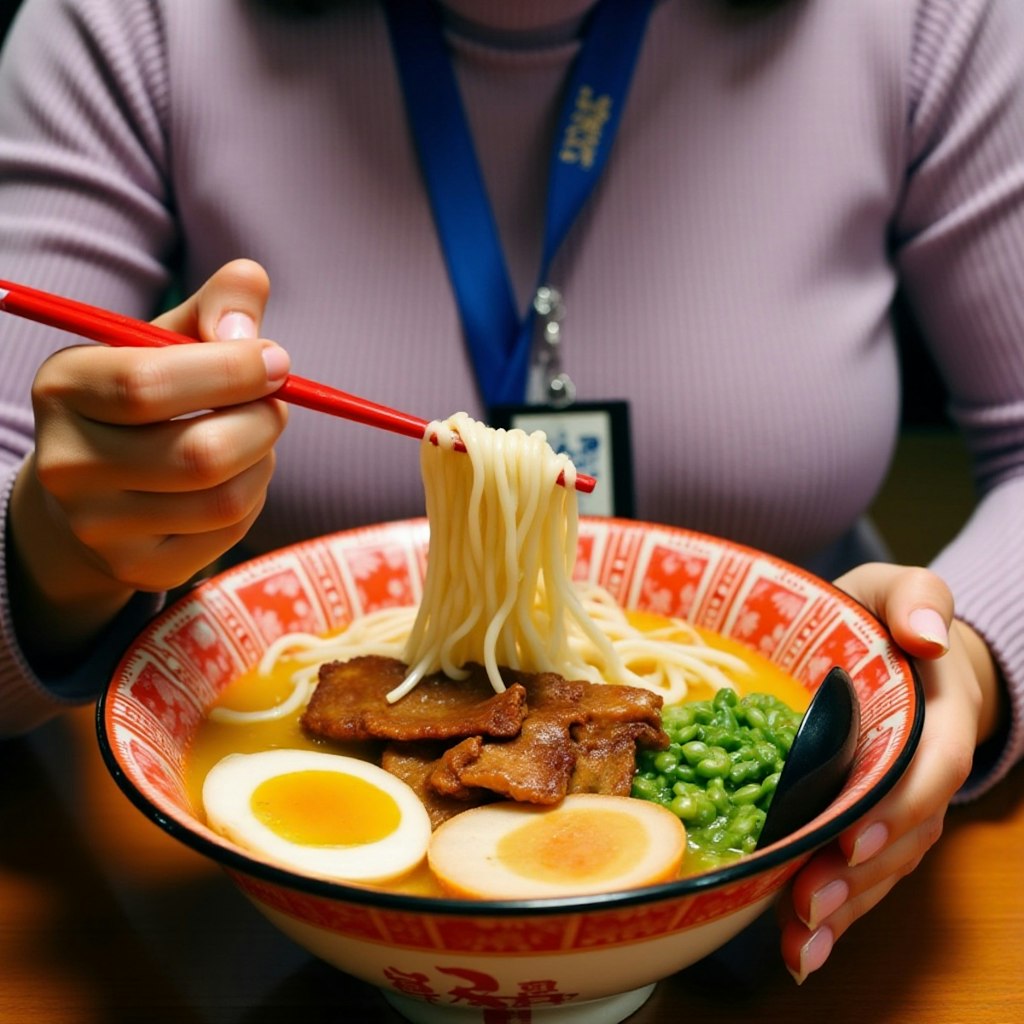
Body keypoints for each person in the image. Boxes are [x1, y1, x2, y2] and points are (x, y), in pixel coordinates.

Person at [0, 0, 1020, 988]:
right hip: (248, 951)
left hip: (792, 920)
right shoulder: (133, 20)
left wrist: (965, 652)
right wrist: (54, 550)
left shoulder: (926, 15)